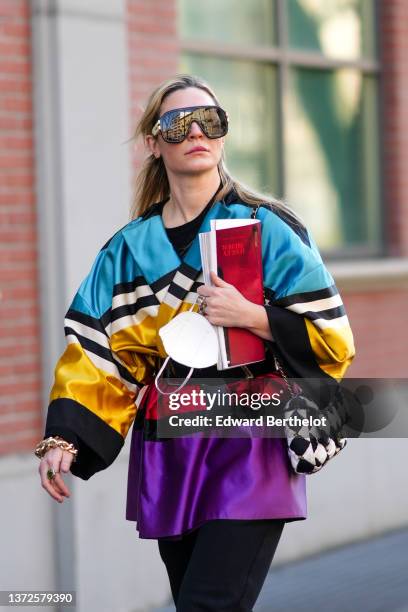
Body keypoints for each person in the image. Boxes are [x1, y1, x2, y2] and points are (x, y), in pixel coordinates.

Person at [35, 74, 356, 611]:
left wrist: (253, 315)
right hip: (170, 443)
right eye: (177, 123)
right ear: (153, 143)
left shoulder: (268, 227)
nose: (195, 132)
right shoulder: (125, 251)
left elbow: (333, 338)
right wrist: (64, 439)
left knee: (210, 603)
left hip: (252, 435)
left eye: (210, 120)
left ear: (224, 135)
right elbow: (99, 356)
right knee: (191, 601)